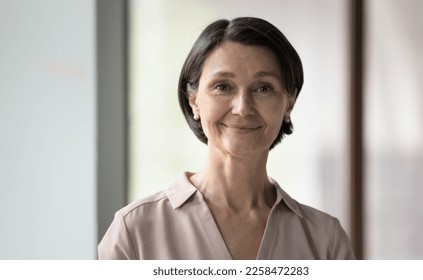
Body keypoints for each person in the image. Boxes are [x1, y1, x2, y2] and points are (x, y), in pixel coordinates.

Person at [98, 17, 355, 260]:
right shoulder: (134, 231)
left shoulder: (325, 242)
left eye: (263, 88)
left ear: (289, 104)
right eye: (222, 86)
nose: (243, 108)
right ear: (194, 101)